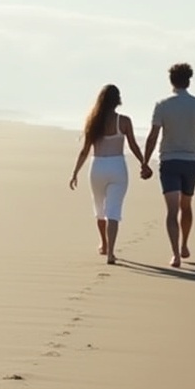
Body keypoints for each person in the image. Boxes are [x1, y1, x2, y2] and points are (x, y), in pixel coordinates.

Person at [142, 63, 195, 268]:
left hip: (169, 161)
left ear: (171, 81)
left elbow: (153, 137)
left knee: (171, 210)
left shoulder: (162, 105)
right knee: (186, 206)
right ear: (188, 80)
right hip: (191, 162)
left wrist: (145, 162)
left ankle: (175, 254)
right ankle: (184, 244)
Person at [69, 84, 152, 264]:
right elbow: (133, 145)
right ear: (118, 100)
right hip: (117, 167)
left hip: (97, 166)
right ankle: (111, 253)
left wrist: (75, 172)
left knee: (100, 208)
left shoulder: (93, 121)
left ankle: (104, 243)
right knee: (113, 210)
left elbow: (84, 151)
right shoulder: (124, 121)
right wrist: (143, 163)